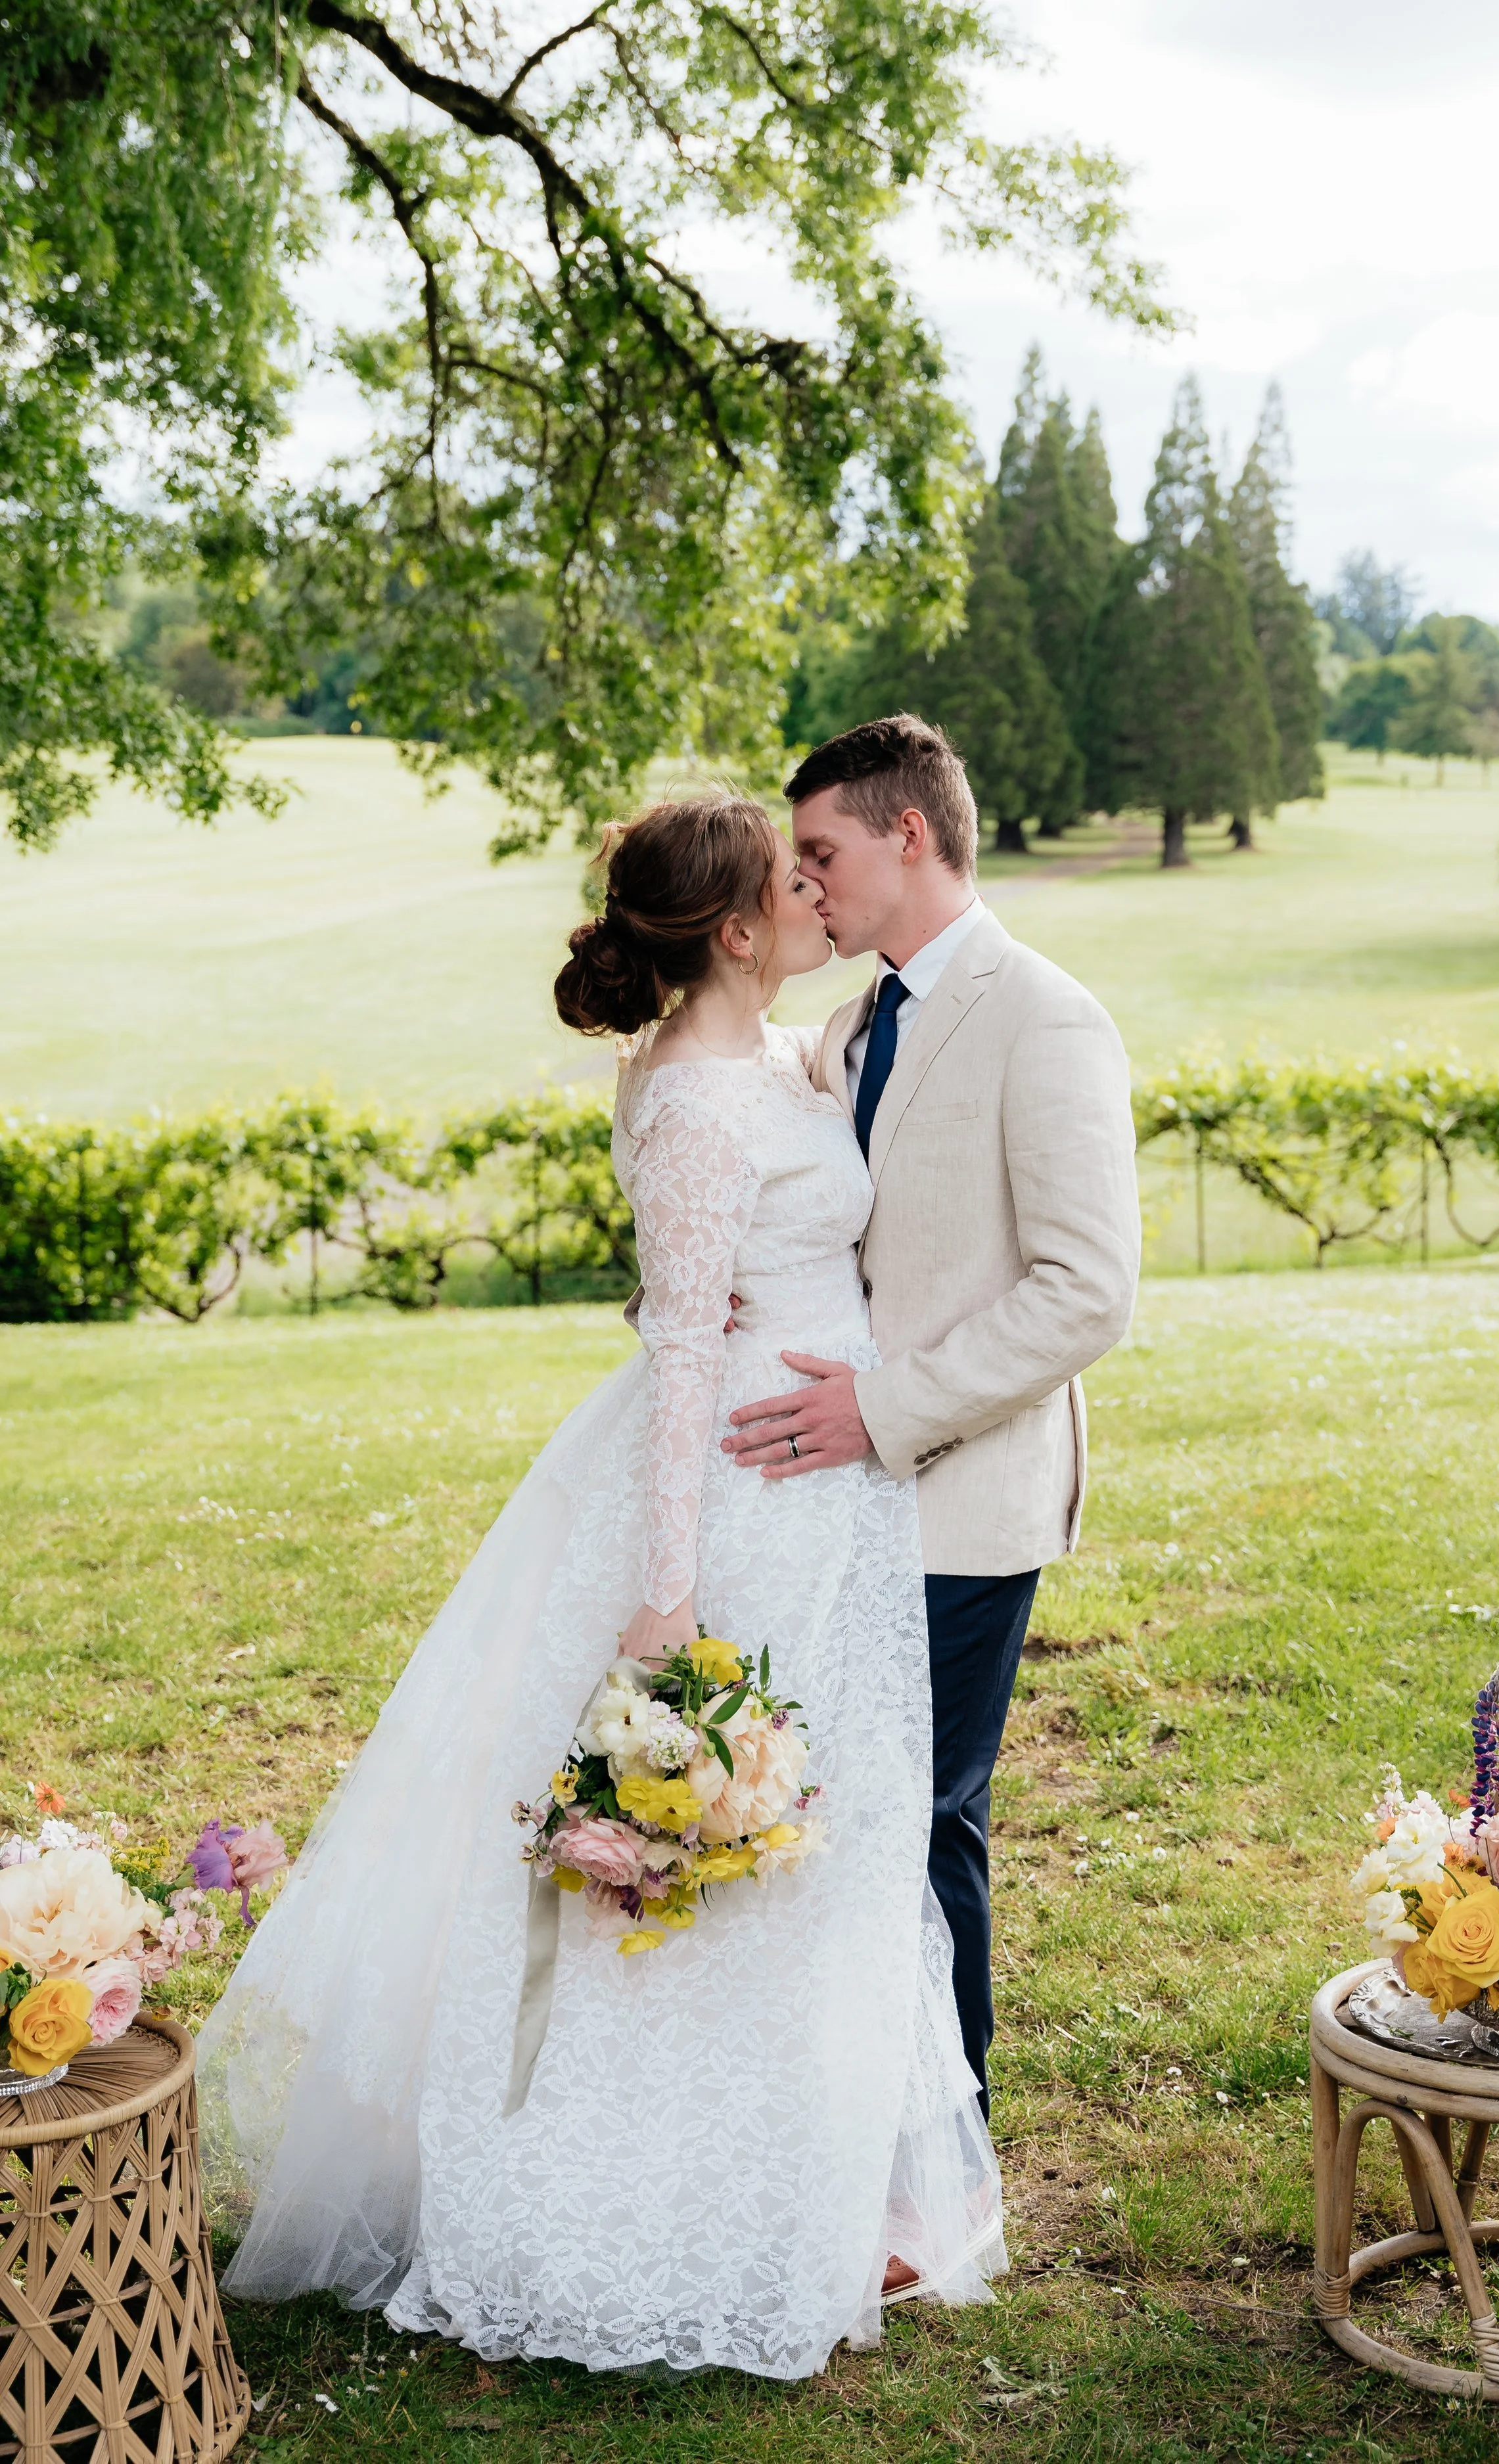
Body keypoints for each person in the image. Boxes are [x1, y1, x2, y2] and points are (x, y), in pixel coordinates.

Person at [196, 795, 1003, 2381]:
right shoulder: (697, 1102)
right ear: (730, 928)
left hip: (832, 1489)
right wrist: (663, 1599)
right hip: (742, 1496)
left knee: (813, 1856)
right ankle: (628, 2204)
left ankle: (790, 2177)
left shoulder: (766, 1061)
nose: (811, 896)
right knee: (724, 1844)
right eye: (790, 881)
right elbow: (681, 1342)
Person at [721, 716, 1141, 2114]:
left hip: (964, 1495)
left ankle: (940, 2153)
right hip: (831, 1501)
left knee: (923, 1820)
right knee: (836, 1813)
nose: (807, 882)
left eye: (823, 852)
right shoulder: (848, 1028)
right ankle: (843, 2119)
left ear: (910, 835)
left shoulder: (1047, 1017)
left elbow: (1086, 1291)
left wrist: (884, 1413)